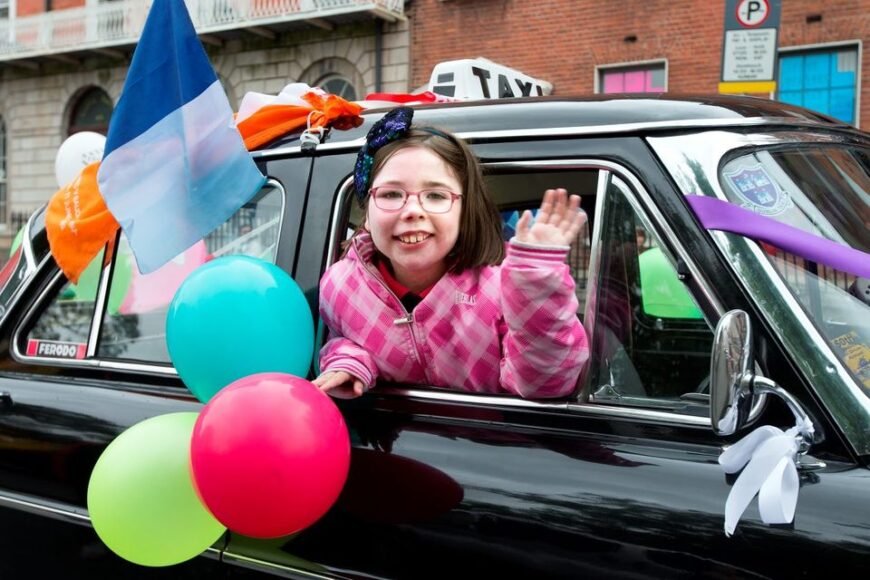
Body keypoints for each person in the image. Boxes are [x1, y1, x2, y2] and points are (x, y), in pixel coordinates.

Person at [312, 106, 589, 399]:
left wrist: (536, 288)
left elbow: (545, 385)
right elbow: (340, 340)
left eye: (436, 195)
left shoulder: (499, 293)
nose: (413, 211)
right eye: (391, 194)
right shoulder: (340, 286)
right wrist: (349, 362)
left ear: (463, 211)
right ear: (367, 211)